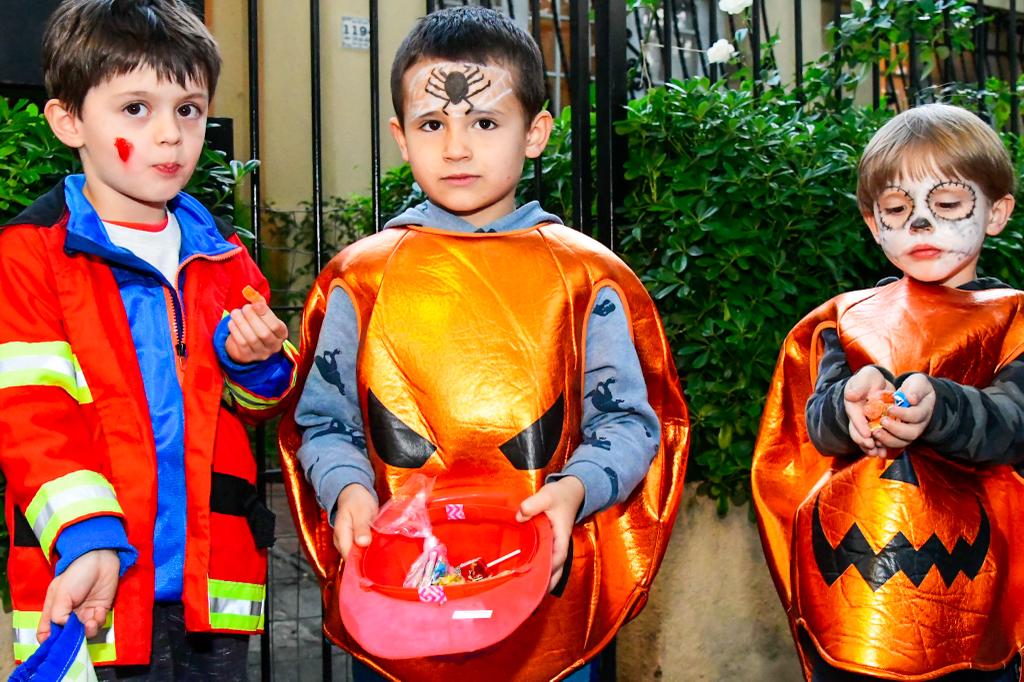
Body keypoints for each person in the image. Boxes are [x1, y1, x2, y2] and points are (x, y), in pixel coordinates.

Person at [278, 6, 689, 681]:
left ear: (536, 133)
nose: (457, 147)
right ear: (401, 137)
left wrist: (574, 491)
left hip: (543, 608)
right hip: (397, 596)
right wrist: (348, 488)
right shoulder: (362, 279)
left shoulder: (588, 279)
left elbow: (629, 423)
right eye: (433, 124)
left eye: (486, 122)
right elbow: (322, 422)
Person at [0, 0, 297, 678]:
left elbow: (263, 405)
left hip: (210, 592)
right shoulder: (31, 254)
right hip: (90, 583)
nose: (170, 135)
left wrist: (257, 367)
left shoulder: (220, 254)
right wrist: (88, 538)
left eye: (188, 109)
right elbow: (28, 416)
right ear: (68, 120)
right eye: (136, 108)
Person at [752, 103, 1024, 681]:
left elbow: (1015, 421)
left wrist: (942, 408)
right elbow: (814, 425)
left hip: (980, 601)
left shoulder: (1016, 321)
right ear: (875, 225)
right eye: (898, 209)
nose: (921, 224)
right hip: (854, 593)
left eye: (947, 204)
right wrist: (848, 408)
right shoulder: (849, 322)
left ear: (996, 212)